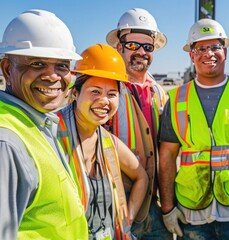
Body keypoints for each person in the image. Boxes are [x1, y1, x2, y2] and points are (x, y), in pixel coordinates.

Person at [158, 18, 229, 239]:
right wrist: (167, 208)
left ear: (225, 51)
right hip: (191, 210)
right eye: (201, 48)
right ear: (191, 55)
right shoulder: (175, 100)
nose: (208, 53)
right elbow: (167, 155)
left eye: (215, 47)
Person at [0, 9, 87, 239]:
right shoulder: (6, 141)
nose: (52, 76)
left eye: (62, 65)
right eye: (37, 63)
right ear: (8, 69)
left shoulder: (38, 123)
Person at [57, 43, 148, 239]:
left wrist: (126, 221)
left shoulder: (108, 142)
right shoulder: (51, 134)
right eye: (95, 91)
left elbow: (142, 177)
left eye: (112, 94)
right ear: (75, 93)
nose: (104, 101)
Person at [105, 8, 171, 239]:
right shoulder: (107, 91)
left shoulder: (160, 94)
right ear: (119, 47)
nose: (141, 52)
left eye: (147, 47)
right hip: (116, 205)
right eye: (133, 45)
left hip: (155, 203)